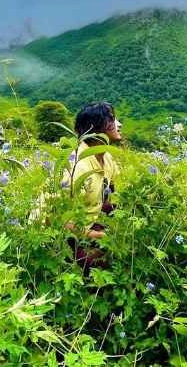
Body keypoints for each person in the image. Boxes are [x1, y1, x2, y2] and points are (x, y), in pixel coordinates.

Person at [62, 102, 122, 275]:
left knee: (115, 205)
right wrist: (96, 236)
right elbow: (60, 220)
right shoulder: (77, 167)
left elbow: (112, 194)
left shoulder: (107, 157)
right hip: (65, 231)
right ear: (95, 129)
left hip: (89, 218)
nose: (119, 124)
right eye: (112, 119)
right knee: (95, 263)